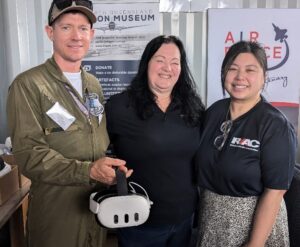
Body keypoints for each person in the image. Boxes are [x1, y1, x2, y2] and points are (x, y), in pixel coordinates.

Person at [6, 1, 132, 246]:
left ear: (92, 35)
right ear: (50, 32)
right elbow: (30, 155)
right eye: (66, 27)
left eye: (83, 28)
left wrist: (111, 169)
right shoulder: (28, 85)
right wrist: (88, 171)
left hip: (95, 207)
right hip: (57, 212)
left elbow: (96, 140)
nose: (76, 36)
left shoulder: (93, 84)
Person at [105, 35, 205, 247]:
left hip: (184, 219)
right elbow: (95, 152)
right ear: (146, 63)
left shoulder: (193, 107)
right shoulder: (120, 107)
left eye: (175, 62)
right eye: (160, 60)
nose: (167, 68)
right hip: (139, 222)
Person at [195, 40, 297, 247]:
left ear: (264, 78)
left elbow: (275, 191)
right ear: (224, 74)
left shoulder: (275, 125)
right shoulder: (214, 112)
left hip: (255, 225)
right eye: (232, 69)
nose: (240, 77)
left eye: (250, 70)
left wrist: (254, 244)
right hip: (212, 217)